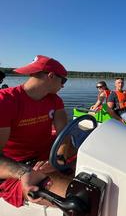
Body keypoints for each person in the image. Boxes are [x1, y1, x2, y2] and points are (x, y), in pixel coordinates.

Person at [0, 55, 72, 208]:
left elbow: (64, 135)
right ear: (51, 76)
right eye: (63, 80)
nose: (63, 86)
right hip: (16, 166)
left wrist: (58, 159)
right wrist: (23, 172)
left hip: (47, 157)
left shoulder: (55, 100)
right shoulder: (5, 101)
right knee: (80, 199)